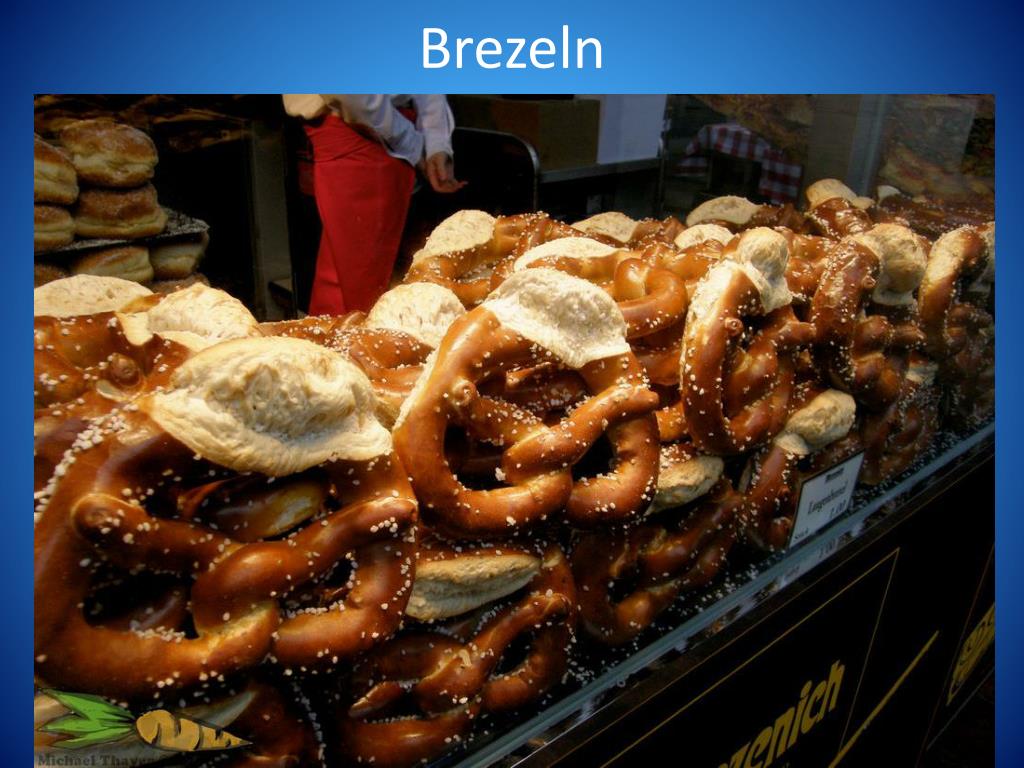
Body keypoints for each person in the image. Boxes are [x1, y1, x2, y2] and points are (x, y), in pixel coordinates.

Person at [283, 94, 465, 315]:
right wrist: (418, 145)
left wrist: (436, 140)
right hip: (363, 137)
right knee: (359, 302)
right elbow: (357, 98)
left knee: (358, 293)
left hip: (392, 136)